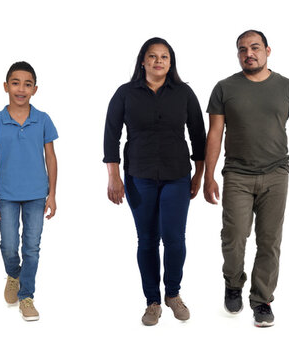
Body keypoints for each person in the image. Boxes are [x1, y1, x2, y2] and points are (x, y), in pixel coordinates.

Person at [204, 30, 289, 328]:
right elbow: (215, 133)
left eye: (255, 47)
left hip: (276, 174)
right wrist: (208, 176)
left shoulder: (287, 87)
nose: (248, 53)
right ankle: (232, 283)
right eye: (242, 49)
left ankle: (262, 300)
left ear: (267, 50)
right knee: (234, 236)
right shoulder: (224, 88)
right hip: (237, 174)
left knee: (270, 241)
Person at [104, 37, 206, 326]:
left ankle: (173, 294)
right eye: (152, 56)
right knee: (147, 240)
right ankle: (153, 301)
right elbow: (111, 135)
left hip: (177, 176)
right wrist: (114, 176)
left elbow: (199, 135)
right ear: (143, 61)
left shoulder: (184, 93)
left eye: (164, 56)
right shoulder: (125, 93)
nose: (158, 61)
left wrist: (199, 173)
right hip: (139, 176)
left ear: (171, 63)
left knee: (174, 239)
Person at [0, 61, 58, 322]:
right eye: (15, 83)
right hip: (5, 195)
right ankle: (14, 274)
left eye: (27, 84)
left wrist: (53, 194)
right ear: (6, 86)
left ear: (35, 89)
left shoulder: (43, 119)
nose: (21, 89)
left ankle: (27, 296)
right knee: (9, 245)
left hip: (38, 193)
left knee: (32, 248)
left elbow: (51, 157)